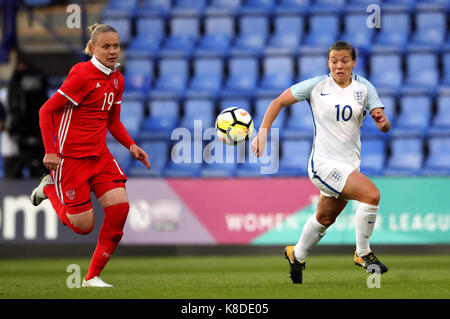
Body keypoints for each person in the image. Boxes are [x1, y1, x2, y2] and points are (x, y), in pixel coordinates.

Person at [251, 41, 390, 284]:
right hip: (323, 165)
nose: (339, 65)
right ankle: (363, 252)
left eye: (344, 61)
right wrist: (263, 133)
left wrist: (381, 121)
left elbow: (385, 124)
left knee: (325, 218)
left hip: (349, 164)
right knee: (371, 195)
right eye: (334, 61)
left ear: (353, 63)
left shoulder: (364, 87)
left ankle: (297, 254)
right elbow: (278, 102)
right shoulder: (317, 86)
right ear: (329, 63)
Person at [30, 23, 150, 288]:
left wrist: (131, 145)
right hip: (70, 158)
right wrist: (50, 151)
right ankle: (48, 188)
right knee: (83, 226)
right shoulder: (82, 74)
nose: (112, 51)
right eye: (106, 46)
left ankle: (92, 277)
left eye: (116, 45)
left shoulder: (117, 79)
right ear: (92, 48)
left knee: (120, 209)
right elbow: (46, 111)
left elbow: (113, 121)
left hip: (99, 156)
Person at [3, 52, 48, 178]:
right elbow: (13, 103)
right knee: (19, 162)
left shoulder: (34, 77)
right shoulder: (16, 80)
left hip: (34, 126)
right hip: (21, 127)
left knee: (39, 162)